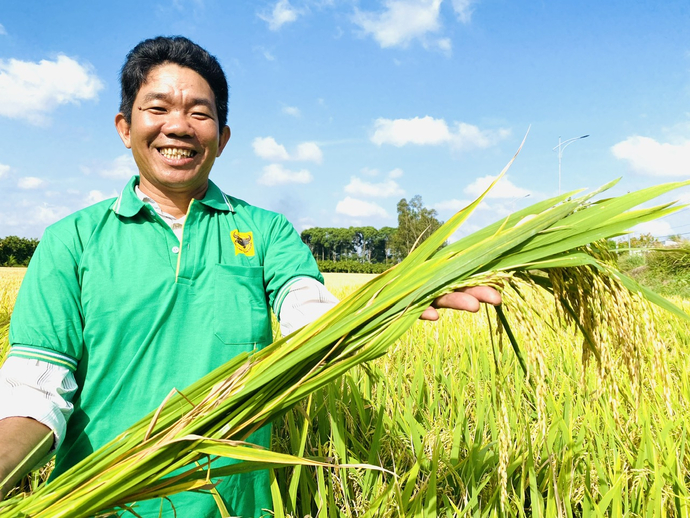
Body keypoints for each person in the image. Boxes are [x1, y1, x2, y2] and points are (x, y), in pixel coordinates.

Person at [0, 36, 501, 517]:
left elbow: (312, 313)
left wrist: (400, 294)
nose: (179, 126)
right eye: (157, 109)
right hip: (100, 505)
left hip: (235, 503)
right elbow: (37, 388)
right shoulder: (73, 239)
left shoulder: (265, 231)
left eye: (200, 112)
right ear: (124, 127)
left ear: (223, 137)